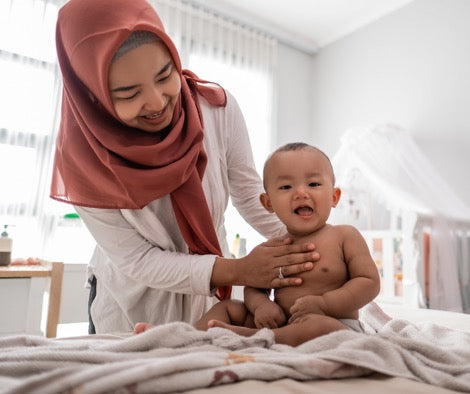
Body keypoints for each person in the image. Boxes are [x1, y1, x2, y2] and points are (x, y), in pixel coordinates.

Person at [51, 0, 318, 334]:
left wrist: (319, 245)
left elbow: (250, 198)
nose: (157, 101)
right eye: (129, 93)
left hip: (205, 302)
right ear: (93, 97)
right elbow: (139, 261)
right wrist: (239, 270)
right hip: (132, 304)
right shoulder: (82, 164)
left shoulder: (216, 109)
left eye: (165, 75)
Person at [135, 143, 381, 346]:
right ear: (268, 203)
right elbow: (254, 286)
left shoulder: (344, 236)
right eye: (286, 187)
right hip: (283, 323)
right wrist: (262, 305)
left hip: (335, 326)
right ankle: (186, 337)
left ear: (334, 196)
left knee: (318, 325)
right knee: (230, 307)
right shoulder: (272, 248)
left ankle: (251, 337)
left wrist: (325, 304)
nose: (301, 193)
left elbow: (369, 282)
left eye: (314, 184)